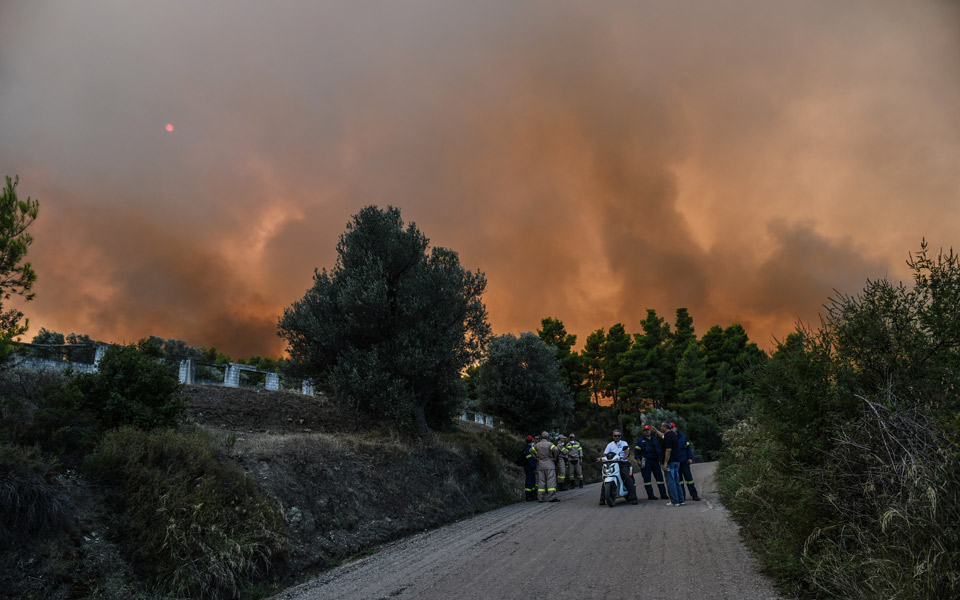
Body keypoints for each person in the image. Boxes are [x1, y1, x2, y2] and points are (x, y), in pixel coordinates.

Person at [597, 429, 638, 505]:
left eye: (618, 436)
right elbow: (605, 454)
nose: (617, 437)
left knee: (627, 477)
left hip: (622, 463)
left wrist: (626, 455)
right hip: (612, 463)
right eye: (615, 436)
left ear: (620, 436)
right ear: (613, 436)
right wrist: (600, 458)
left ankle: (634, 498)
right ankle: (602, 499)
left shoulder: (624, 443)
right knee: (605, 478)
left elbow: (627, 450)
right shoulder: (610, 445)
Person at [634, 425, 668, 500]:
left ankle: (663, 494)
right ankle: (650, 495)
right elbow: (636, 451)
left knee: (659, 478)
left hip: (655, 461)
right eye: (645, 430)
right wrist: (638, 460)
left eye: (648, 430)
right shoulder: (640, 440)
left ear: (650, 431)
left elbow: (660, 449)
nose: (647, 431)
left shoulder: (655, 439)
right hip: (646, 461)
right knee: (647, 479)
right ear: (643, 432)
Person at [675, 424, 700, 501]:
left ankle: (694, 495)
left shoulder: (683, 437)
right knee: (679, 481)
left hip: (684, 461)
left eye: (672, 427)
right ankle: (682, 496)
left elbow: (688, 447)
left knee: (689, 479)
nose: (671, 429)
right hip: (676, 462)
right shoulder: (670, 438)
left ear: (675, 428)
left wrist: (690, 457)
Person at [660, 422, 683, 506]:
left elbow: (668, 450)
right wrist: (656, 431)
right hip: (676, 461)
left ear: (665, 427)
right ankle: (681, 500)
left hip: (670, 462)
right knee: (677, 481)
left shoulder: (668, 437)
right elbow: (662, 435)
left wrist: (665, 463)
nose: (661, 428)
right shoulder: (673, 435)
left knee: (670, 482)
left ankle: (675, 501)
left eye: (662, 426)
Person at [534, 431, 560, 502]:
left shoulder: (537, 445)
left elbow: (531, 451)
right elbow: (556, 450)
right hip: (549, 464)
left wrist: (537, 458)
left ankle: (540, 498)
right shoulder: (549, 444)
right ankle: (552, 497)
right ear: (548, 437)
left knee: (541, 482)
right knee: (550, 481)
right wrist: (555, 458)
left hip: (541, 465)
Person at [522, 435, 538, 501]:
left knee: (532, 480)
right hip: (529, 467)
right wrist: (534, 467)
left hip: (529, 467)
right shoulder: (528, 449)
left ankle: (532, 494)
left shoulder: (527, 448)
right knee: (529, 481)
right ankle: (528, 495)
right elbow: (530, 460)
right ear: (531, 440)